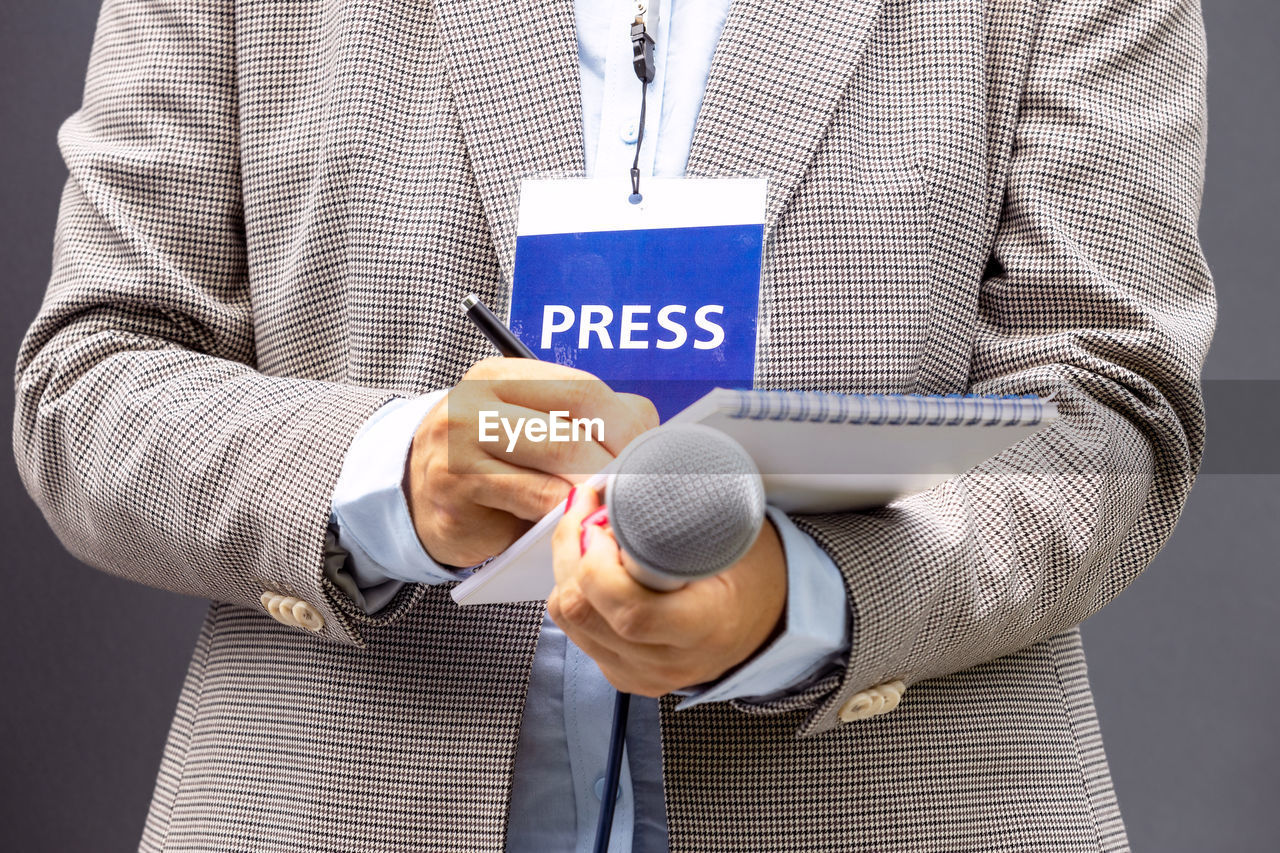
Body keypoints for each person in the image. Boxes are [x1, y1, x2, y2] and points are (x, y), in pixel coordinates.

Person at [13, 0, 1214, 849]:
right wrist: (394, 470)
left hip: (902, 804)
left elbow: (1109, 413)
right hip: (326, 798)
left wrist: (803, 601)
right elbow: (95, 379)